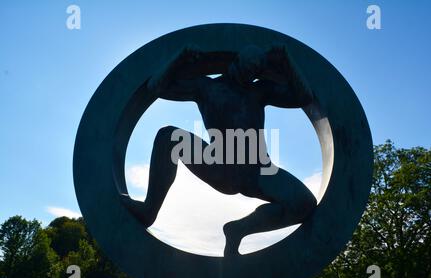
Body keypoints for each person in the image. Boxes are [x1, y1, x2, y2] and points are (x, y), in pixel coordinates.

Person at [120, 44, 317, 256]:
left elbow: (305, 97)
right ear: (235, 61)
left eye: (257, 70)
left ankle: (238, 229)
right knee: (168, 137)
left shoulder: (259, 90)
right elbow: (155, 88)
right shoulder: (206, 88)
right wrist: (179, 56)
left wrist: (287, 59)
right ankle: (149, 210)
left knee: (304, 203)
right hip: (220, 166)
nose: (252, 73)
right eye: (249, 67)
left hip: (258, 170)